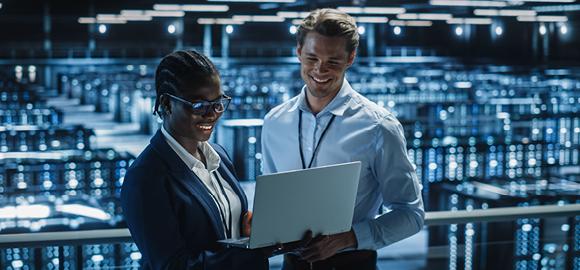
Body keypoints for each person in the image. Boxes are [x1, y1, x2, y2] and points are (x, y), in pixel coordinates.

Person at [261, 8, 425, 269]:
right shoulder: (275, 122)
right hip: (290, 265)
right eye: (311, 57)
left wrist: (349, 238)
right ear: (298, 52)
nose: (319, 70)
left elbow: (412, 214)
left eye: (333, 62)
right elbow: (271, 206)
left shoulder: (378, 126)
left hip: (352, 263)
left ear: (351, 58)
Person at [121, 50, 268, 270]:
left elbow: (223, 231)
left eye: (218, 103)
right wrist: (252, 254)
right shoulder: (146, 177)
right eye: (199, 106)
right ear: (167, 104)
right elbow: (173, 266)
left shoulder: (220, 157)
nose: (212, 114)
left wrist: (248, 234)